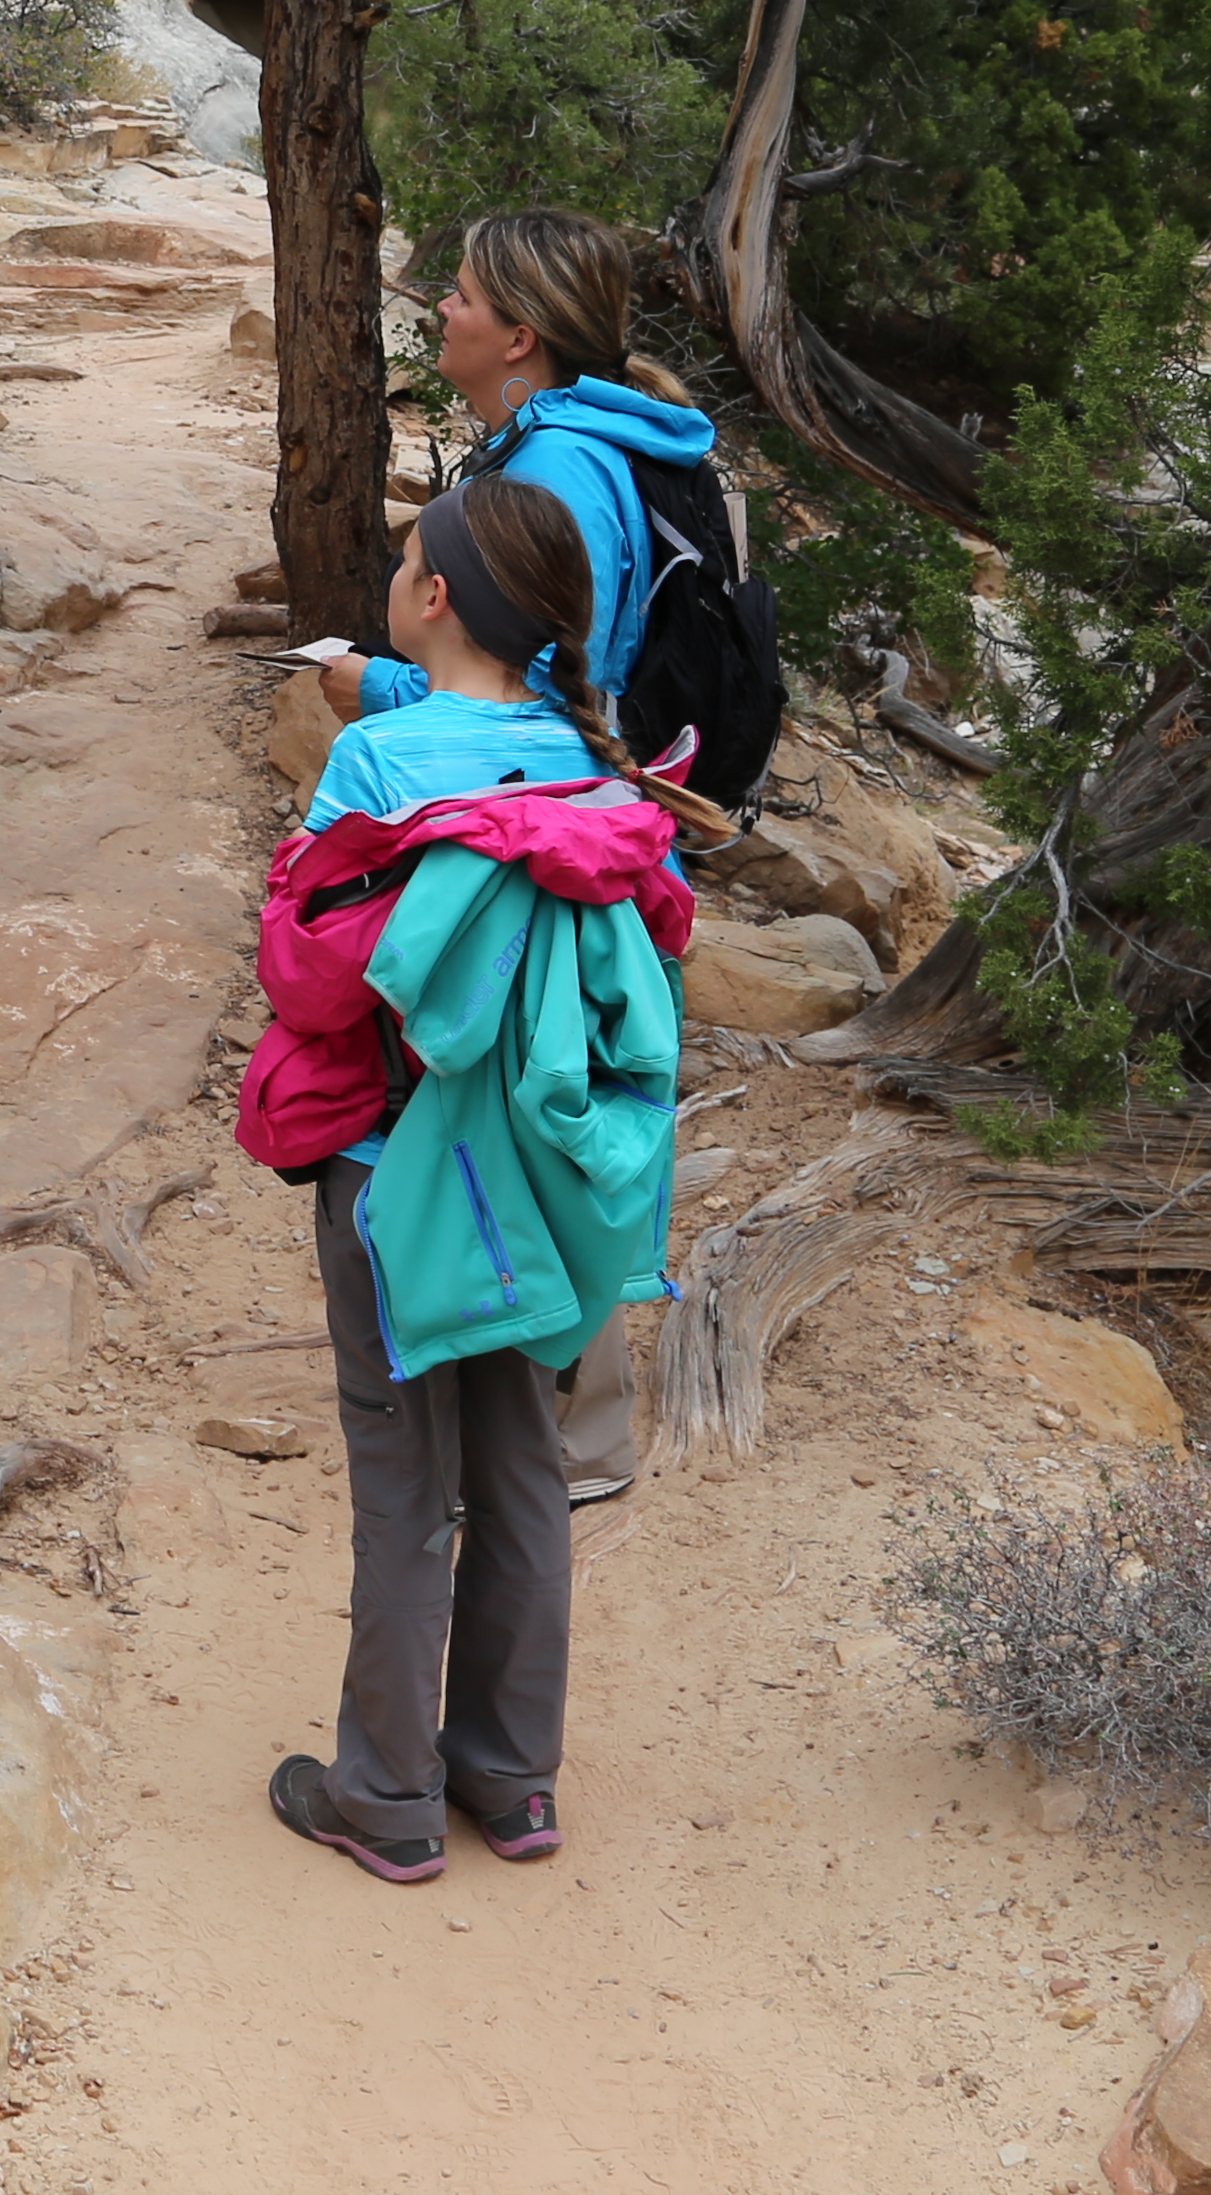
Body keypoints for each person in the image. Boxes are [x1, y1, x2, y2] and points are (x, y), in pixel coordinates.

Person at [239, 476, 687, 1888]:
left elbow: (312, 972)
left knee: (400, 1481)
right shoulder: (590, 768)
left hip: (396, 1174)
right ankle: (513, 1777)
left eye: (407, 559)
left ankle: (383, 1793)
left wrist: (362, 715)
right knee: (523, 1471)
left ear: (430, 600)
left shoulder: (376, 769)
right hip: (543, 1184)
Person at [312, 208, 718, 1508]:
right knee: (541, 1092)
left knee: (538, 1096)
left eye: (466, 297)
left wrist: (380, 691)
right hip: (578, 824)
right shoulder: (570, 447)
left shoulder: (561, 469)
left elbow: (537, 689)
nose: (443, 313)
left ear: (520, 334)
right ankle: (545, 1417)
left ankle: (568, 1436)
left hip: (552, 842)